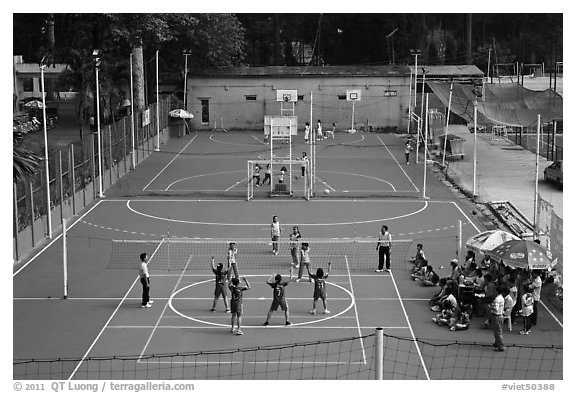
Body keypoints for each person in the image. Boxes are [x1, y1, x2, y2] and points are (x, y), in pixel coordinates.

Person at [490, 286, 506, 351]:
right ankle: (497, 342)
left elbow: (495, 308)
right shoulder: (502, 298)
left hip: (496, 316)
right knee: (499, 330)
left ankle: (501, 346)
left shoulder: (497, 299)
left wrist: (490, 306)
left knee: (497, 332)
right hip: (500, 315)